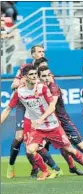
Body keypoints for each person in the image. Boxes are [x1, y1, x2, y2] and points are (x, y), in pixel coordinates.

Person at [1, 65, 83, 181]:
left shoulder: (43, 88)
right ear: (24, 77)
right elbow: (8, 109)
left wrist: (40, 119)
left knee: (70, 149)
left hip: (52, 125)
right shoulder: (19, 92)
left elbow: (52, 107)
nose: (34, 76)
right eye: (31, 74)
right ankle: (45, 170)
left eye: (35, 74)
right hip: (38, 129)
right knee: (30, 150)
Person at [7, 45, 61, 179]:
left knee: (37, 142)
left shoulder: (46, 70)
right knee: (20, 138)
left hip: (38, 107)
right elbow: (13, 85)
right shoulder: (24, 68)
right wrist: (22, 83)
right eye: (39, 52)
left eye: (43, 52)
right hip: (23, 105)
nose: (42, 54)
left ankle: (47, 168)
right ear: (33, 54)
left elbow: (51, 86)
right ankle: (11, 165)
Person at [38, 66, 83, 177]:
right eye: (44, 76)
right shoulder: (38, 89)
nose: (47, 78)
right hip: (50, 124)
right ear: (39, 77)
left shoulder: (54, 88)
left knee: (79, 147)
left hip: (63, 122)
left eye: (48, 75)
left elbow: (52, 106)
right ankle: (57, 168)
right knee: (38, 147)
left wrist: (40, 119)